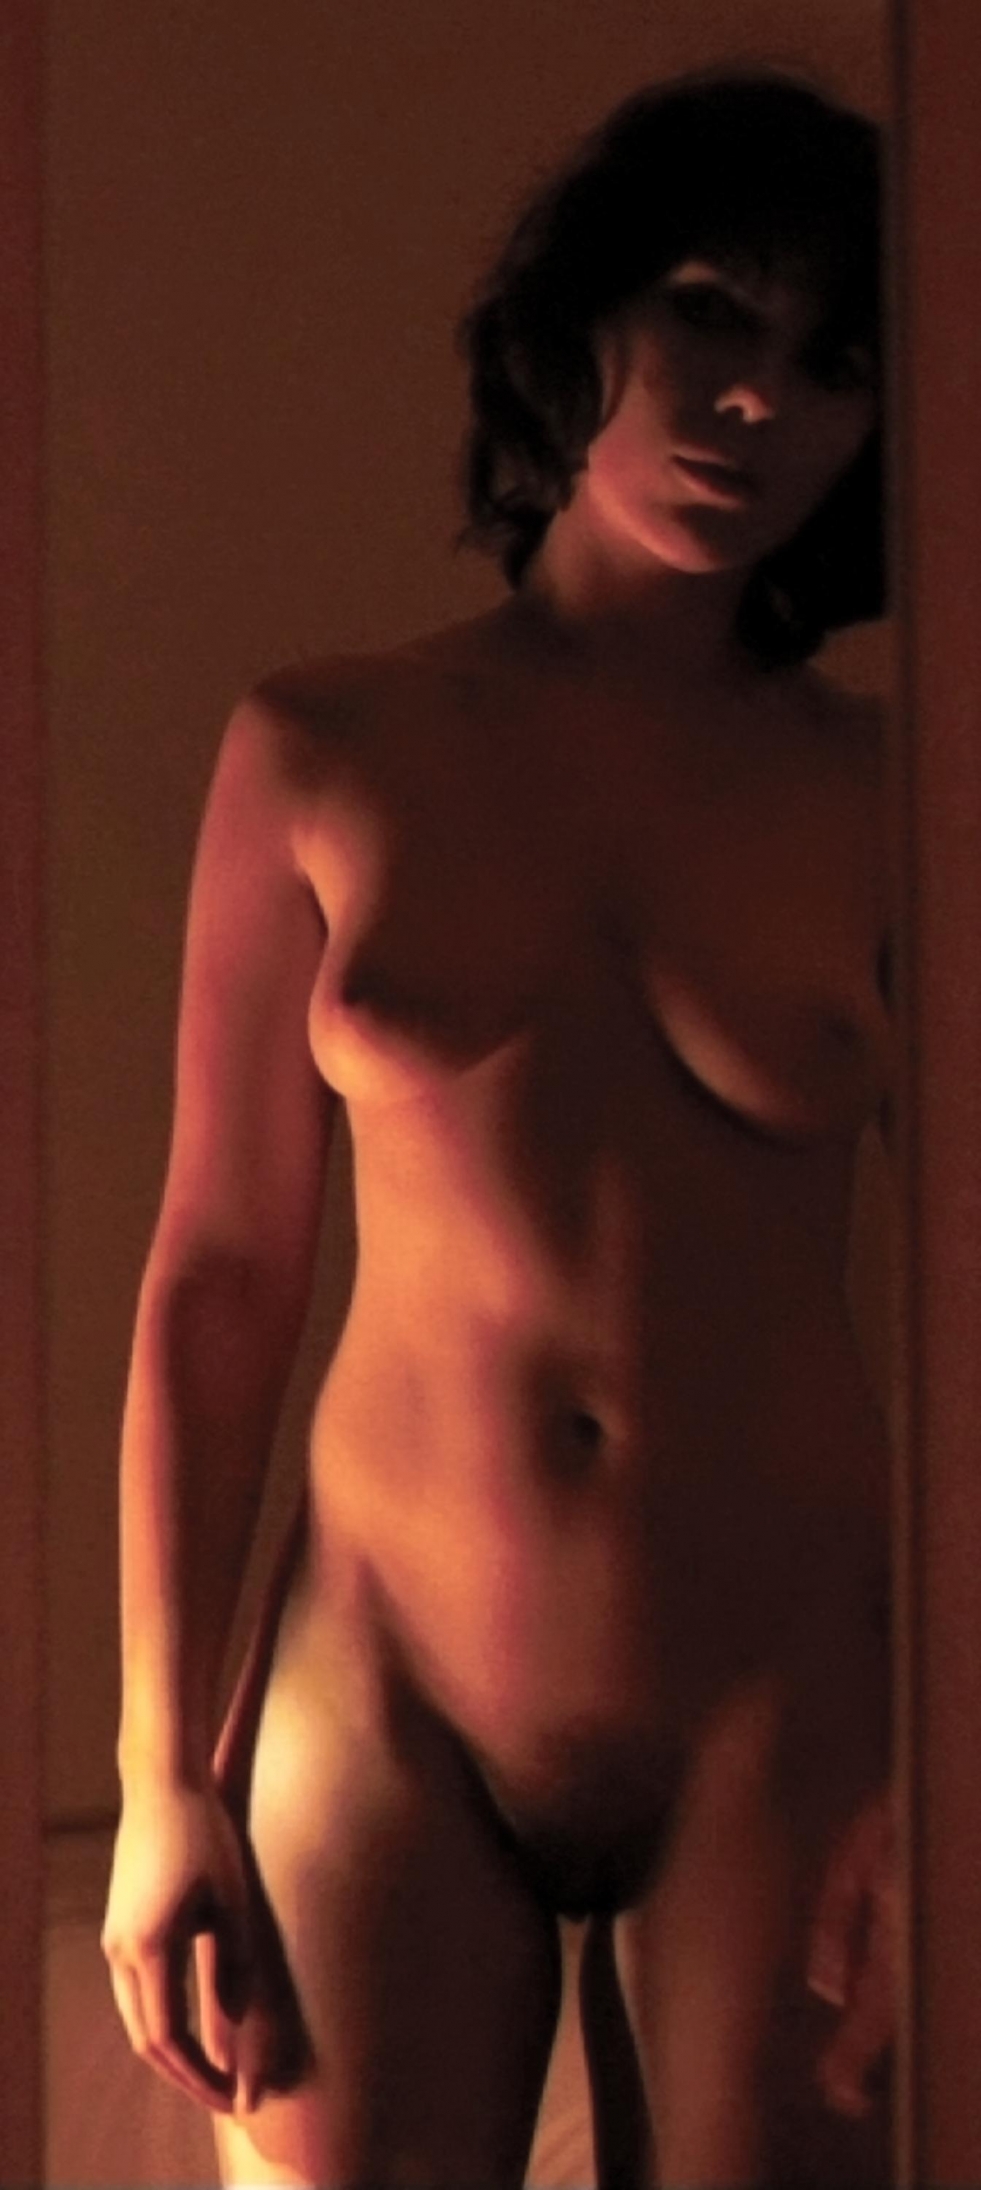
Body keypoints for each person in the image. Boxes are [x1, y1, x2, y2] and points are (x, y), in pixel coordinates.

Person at [101, 67, 896, 2188]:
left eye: (832, 360)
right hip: (386, 1679)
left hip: (784, 1698)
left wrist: (959, 1775)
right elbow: (219, 1278)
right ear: (584, 320)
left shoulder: (889, 792)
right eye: (710, 312)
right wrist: (160, 1774)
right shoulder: (324, 748)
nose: (757, 400)